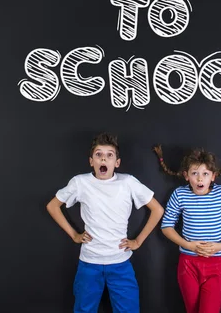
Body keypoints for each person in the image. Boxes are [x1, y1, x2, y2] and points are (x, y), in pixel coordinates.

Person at [47, 132, 164, 313]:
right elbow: (53, 206)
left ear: (116, 163)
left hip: (120, 263)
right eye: (98, 155)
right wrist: (74, 235)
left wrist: (138, 241)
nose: (104, 159)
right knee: (84, 309)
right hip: (89, 263)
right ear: (91, 161)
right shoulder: (80, 182)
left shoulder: (128, 182)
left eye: (109, 155)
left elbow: (157, 209)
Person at [154, 137, 221, 313]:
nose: (199, 178)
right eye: (194, 173)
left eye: (205, 173)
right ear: (186, 176)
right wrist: (188, 245)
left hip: (215, 262)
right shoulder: (180, 194)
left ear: (213, 176)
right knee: (192, 309)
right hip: (188, 263)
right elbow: (166, 226)